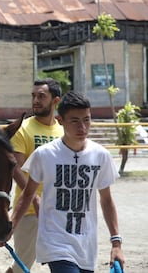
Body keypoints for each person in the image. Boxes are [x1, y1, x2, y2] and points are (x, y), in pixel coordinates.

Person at [9, 91, 125, 272]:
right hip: (55, 242)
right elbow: (28, 194)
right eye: (75, 121)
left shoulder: (101, 155)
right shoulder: (44, 154)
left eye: (86, 120)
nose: (82, 127)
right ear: (60, 120)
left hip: (86, 245)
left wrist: (116, 243)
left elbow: (107, 200)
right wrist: (11, 226)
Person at [7, 78, 64, 273]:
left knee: (63, 263)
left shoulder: (63, 131)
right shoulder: (23, 129)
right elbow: (16, 168)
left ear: (55, 101)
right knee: (21, 267)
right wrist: (34, 198)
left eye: (41, 96)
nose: (36, 100)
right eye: (33, 96)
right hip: (29, 212)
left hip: (59, 211)